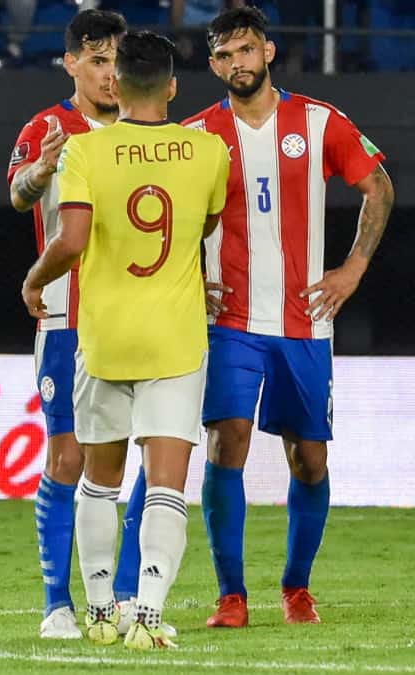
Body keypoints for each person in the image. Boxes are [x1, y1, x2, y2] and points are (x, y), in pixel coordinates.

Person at [185, 6, 394, 628]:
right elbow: (166, 220)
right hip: (232, 321)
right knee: (228, 444)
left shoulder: (320, 121)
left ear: (268, 51)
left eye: (246, 50)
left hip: (305, 323)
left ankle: (297, 587)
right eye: (223, 55)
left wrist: (353, 268)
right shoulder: (196, 135)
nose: (236, 63)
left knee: (310, 459)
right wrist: (192, 281)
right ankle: (232, 596)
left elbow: (378, 186)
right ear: (213, 64)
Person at [22, 30, 229, 650]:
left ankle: (100, 610)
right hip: (175, 338)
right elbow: (205, 224)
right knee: (166, 484)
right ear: (171, 86)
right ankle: (148, 613)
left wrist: (35, 281)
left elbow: (72, 239)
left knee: (97, 481)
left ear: (120, 84)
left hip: (106, 336)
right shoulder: (208, 150)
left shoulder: (87, 151)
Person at [7, 8, 158, 641]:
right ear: (70, 62)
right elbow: (18, 194)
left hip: (136, 317)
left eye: (114, 61)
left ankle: (124, 594)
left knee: (150, 449)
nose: (107, 74)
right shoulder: (48, 128)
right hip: (67, 320)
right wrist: (42, 169)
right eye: (95, 61)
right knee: (68, 456)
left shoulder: (147, 130)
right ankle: (56, 604)